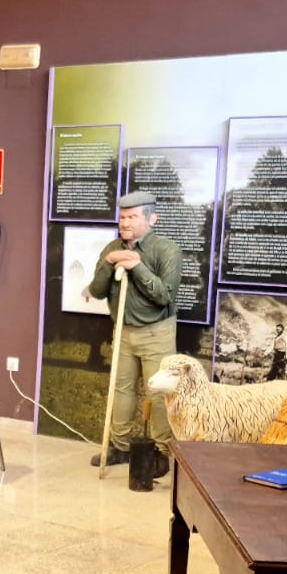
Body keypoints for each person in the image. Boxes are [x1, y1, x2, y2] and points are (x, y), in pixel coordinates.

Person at [85, 190, 182, 471]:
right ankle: (121, 447)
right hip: (124, 331)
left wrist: (137, 266)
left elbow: (164, 296)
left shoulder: (167, 250)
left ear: (152, 219)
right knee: (122, 390)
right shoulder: (112, 248)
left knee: (159, 394)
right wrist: (110, 261)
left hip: (157, 332)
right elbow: (97, 291)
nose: (125, 223)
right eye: (122, 217)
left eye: (132, 217)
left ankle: (162, 452)